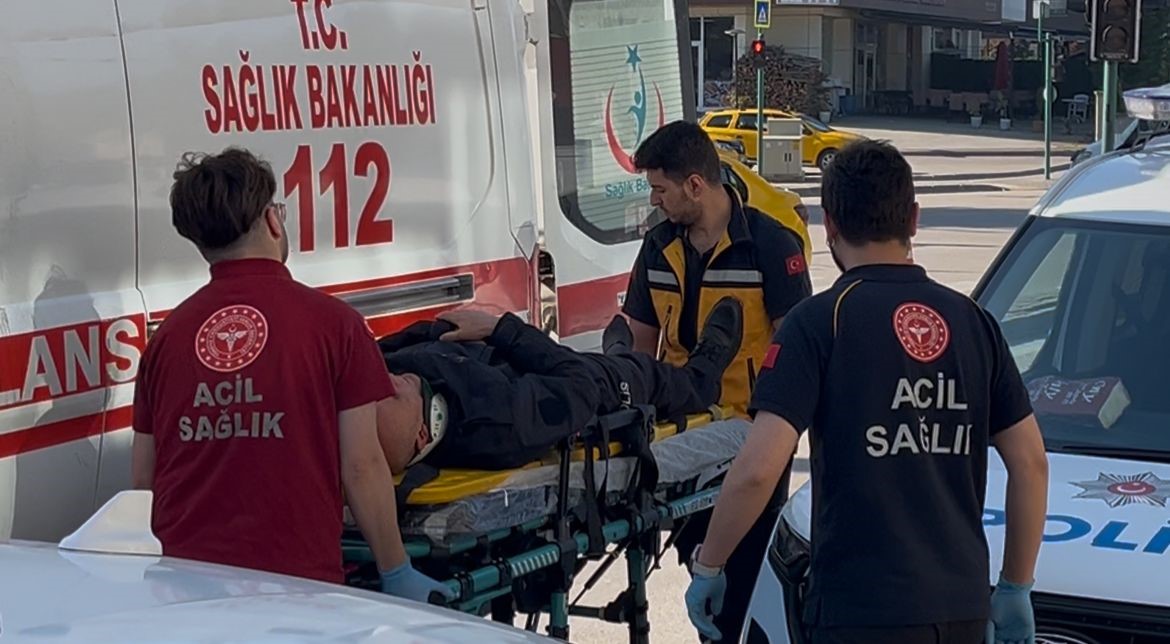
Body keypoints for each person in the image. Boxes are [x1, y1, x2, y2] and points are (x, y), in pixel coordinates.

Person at [683, 140, 1050, 644]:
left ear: (830, 226)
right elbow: (1030, 463)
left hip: (859, 610)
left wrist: (710, 564)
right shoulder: (973, 322)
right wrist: (1015, 585)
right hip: (961, 607)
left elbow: (757, 470)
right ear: (913, 218)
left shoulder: (819, 323)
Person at [129, 147, 452, 603]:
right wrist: (395, 569)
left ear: (200, 242)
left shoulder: (166, 339)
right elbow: (361, 465)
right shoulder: (334, 325)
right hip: (296, 585)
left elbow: (143, 480)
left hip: (183, 586)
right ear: (273, 220)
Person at [622, 120, 812, 641]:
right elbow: (639, 343)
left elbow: (798, 356)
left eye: (660, 189)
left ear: (694, 185)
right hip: (682, 431)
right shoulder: (659, 247)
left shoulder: (770, 246)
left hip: (750, 437)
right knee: (701, 567)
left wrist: (779, 438)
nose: (654, 201)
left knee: (744, 578)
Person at [372, 298, 744, 475]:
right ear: (422, 435)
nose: (386, 382)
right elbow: (579, 387)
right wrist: (500, 328)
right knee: (633, 376)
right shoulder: (499, 423)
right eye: (392, 396)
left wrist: (450, 328)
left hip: (523, 360)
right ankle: (702, 376)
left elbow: (418, 336)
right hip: (574, 383)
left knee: (607, 364)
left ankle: (619, 353)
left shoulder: (382, 375)